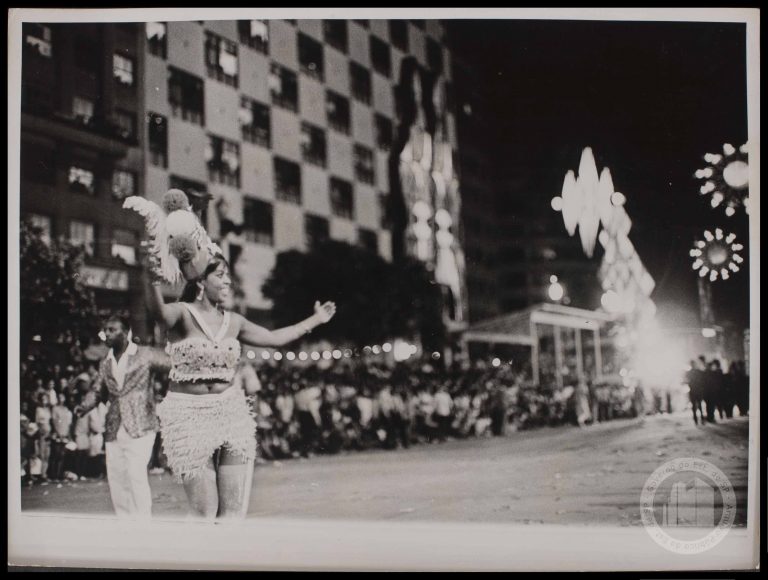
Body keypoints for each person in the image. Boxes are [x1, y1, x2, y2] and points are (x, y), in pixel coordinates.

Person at [146, 253, 336, 520]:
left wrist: (316, 320)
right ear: (201, 281)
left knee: (232, 511)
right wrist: (151, 278)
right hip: (188, 414)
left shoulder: (234, 321)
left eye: (228, 276)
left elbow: (273, 338)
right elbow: (159, 314)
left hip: (231, 411)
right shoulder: (182, 313)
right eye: (220, 275)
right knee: (204, 510)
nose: (227, 281)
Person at [76, 315, 171, 517]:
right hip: (114, 426)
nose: (107, 334)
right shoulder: (105, 362)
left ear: (126, 332)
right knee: (117, 478)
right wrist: (85, 406)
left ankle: (142, 523)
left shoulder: (145, 354)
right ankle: (124, 523)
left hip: (141, 424)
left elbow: (171, 365)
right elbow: (98, 390)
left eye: (112, 330)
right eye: (105, 330)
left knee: (135, 473)